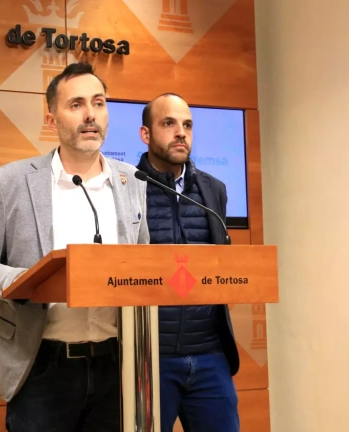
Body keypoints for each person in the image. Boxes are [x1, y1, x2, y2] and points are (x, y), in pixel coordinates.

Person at [0, 61, 149, 432]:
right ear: (52, 119)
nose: (90, 114)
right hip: (41, 364)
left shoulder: (133, 181)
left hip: (116, 362)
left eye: (98, 103)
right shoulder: (11, 181)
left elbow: (143, 262)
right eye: (76, 104)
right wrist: (27, 281)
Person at [136, 93, 240, 432]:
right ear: (146, 134)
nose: (181, 132)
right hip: (151, 356)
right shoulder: (127, 188)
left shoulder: (214, 189)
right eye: (168, 123)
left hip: (210, 354)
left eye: (187, 125)